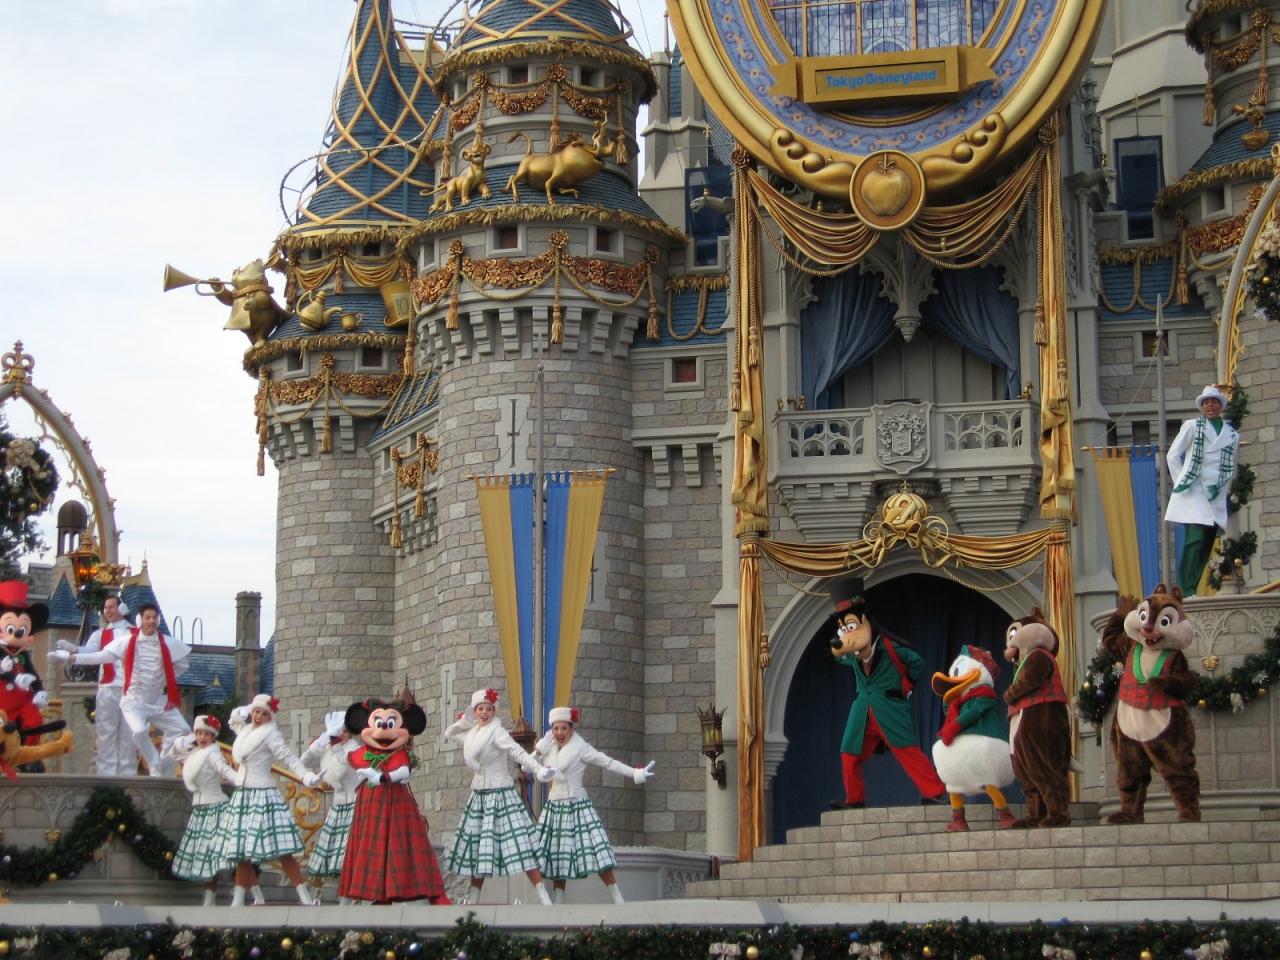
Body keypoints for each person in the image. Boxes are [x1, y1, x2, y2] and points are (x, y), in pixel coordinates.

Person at [828, 576, 947, 809]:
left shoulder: (890, 648)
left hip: (889, 709)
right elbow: (842, 658)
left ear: (865, 622)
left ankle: (935, 792)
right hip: (862, 712)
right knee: (848, 754)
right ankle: (854, 799)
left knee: (907, 751)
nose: (845, 634)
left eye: (850, 627)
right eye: (843, 629)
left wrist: (905, 686)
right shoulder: (853, 656)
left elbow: (917, 663)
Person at [49, 601, 191, 775]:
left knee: (182, 729)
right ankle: (142, 766)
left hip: (157, 700)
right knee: (133, 732)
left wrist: (163, 677)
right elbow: (100, 656)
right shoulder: (124, 640)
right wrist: (71, 657)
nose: (151, 621)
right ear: (140, 620)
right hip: (132, 698)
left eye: (154, 618)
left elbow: (182, 665)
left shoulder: (167, 643)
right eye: (148, 617)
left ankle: (164, 766)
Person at [444, 687, 556, 905]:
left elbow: (517, 752)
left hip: (502, 794)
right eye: (480, 709)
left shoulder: (497, 733)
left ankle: (543, 896)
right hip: (479, 796)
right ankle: (474, 899)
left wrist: (538, 769)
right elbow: (451, 734)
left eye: (489, 709)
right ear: (474, 712)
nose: (484, 712)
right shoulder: (473, 735)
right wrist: (463, 723)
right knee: (478, 848)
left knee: (521, 844)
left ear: (494, 711)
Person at [533, 706, 655, 904]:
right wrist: (539, 750)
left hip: (577, 804)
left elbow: (608, 762)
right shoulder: (549, 748)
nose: (559, 733)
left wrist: (635, 773)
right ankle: (558, 900)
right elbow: (527, 767)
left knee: (596, 851)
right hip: (554, 806)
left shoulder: (581, 748)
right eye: (556, 728)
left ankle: (617, 897)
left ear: (571, 729)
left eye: (564, 728)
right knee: (557, 853)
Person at [338, 695, 449, 904]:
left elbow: (403, 770)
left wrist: (382, 777)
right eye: (378, 723)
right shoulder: (363, 752)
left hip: (396, 803)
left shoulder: (399, 753)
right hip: (370, 804)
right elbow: (352, 763)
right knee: (372, 846)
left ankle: (418, 890)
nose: (383, 729)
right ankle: (376, 893)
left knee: (402, 845)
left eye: (390, 724)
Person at [217, 693, 321, 906]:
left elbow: (288, 757)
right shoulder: (245, 731)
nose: (258, 716)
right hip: (243, 795)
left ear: (269, 717)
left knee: (282, 850)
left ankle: (304, 896)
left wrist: (306, 776)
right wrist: (245, 709)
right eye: (256, 712)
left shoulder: (270, 735)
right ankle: (238, 900)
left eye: (264, 714)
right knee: (241, 849)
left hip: (263, 794)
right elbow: (233, 720)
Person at [1165, 384, 1241, 596]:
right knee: (1195, 539)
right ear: (1201, 406)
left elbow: (1232, 466)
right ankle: (1186, 589)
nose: (1210, 406)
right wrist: (1182, 482)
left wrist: (1226, 491)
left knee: (1206, 543)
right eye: (1206, 402)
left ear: (1220, 406)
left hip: (1216, 492)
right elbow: (1172, 455)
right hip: (1194, 490)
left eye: (1214, 402)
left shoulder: (1232, 435)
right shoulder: (1192, 426)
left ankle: (1192, 588)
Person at [57, 596, 136, 775]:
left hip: (130, 689)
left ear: (122, 608)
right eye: (105, 608)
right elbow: (91, 651)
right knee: (106, 731)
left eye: (111, 607)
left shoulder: (135, 632)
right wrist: (74, 649)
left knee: (128, 733)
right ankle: (106, 775)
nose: (107, 611)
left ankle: (127, 775)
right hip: (108, 687)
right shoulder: (100, 634)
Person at [165, 715, 235, 906]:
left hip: (215, 808)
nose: (203, 737)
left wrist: (242, 780)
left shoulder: (212, 753)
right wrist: (186, 740)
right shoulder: (195, 753)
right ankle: (209, 897)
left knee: (213, 854)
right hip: (200, 810)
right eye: (200, 733)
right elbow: (174, 753)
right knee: (204, 857)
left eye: (207, 734)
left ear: (213, 737)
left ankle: (223, 895)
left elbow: (225, 770)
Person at [300, 710, 361, 902]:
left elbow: (337, 774)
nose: (341, 734)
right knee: (333, 855)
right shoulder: (328, 747)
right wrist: (319, 744)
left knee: (348, 854)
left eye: (345, 731)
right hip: (337, 806)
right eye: (338, 731)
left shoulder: (353, 748)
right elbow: (302, 762)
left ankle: (350, 898)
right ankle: (340, 897)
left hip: (354, 805)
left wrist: (334, 746)